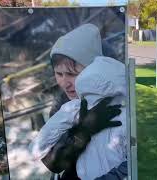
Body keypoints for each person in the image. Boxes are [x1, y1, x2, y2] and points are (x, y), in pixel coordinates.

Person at [30, 23, 127, 180]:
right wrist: (82, 131)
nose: (64, 83)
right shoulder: (63, 105)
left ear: (94, 70)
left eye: (72, 74)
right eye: (59, 74)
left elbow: (131, 160)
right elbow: (54, 164)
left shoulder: (119, 98)